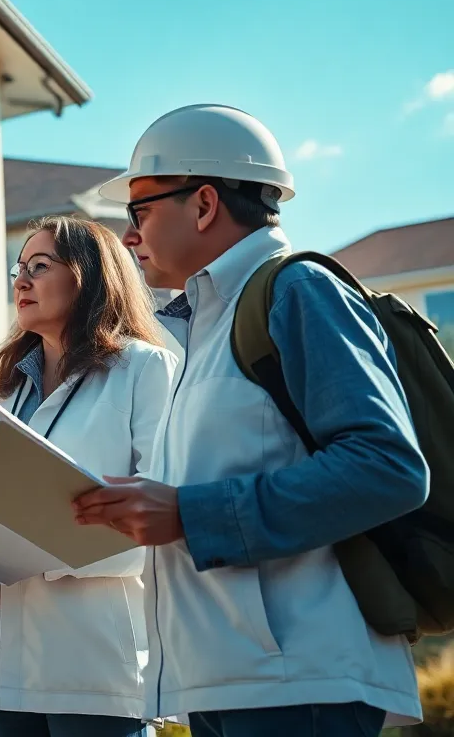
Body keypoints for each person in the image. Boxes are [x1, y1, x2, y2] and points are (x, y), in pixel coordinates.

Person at [72, 103, 430, 736]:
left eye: (140, 212)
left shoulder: (298, 291)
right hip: (226, 678)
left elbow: (387, 467)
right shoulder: (197, 331)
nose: (129, 237)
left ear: (204, 204)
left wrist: (189, 513)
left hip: (299, 680)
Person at [0, 216, 178, 737]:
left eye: (39, 266)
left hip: (90, 646)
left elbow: (167, 514)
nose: (21, 281)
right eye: (18, 268)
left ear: (90, 276)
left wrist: (50, 545)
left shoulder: (143, 370)